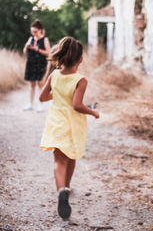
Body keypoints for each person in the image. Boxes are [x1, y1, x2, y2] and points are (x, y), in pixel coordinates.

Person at [39, 36, 99, 220]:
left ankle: (61, 190)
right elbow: (77, 105)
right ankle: (67, 187)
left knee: (59, 160)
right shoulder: (81, 80)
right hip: (73, 124)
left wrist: (57, 93)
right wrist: (92, 112)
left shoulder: (54, 75)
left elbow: (42, 97)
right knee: (71, 155)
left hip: (57, 122)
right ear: (80, 59)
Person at [23, 19, 51, 112]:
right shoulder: (30, 39)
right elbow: (24, 52)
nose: (33, 33)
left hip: (41, 64)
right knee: (32, 85)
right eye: (32, 31)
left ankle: (40, 104)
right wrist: (26, 46)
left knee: (40, 85)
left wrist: (37, 49)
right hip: (31, 64)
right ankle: (30, 104)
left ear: (40, 30)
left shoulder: (45, 39)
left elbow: (49, 53)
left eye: (35, 31)